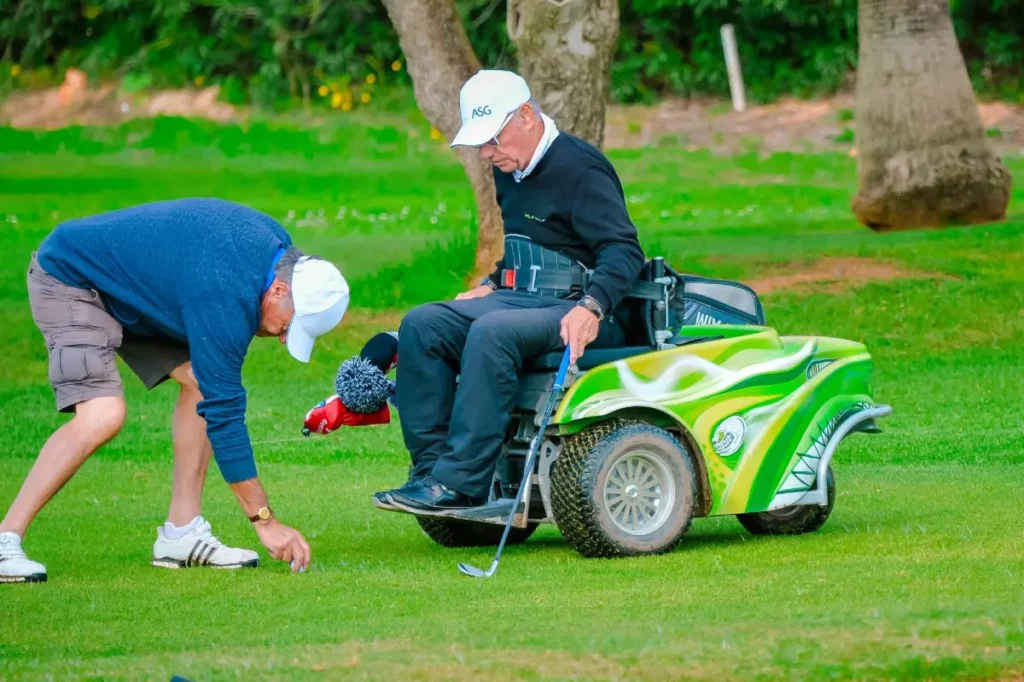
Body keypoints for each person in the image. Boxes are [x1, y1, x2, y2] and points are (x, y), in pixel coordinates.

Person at [0, 198, 349, 583]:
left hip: (134, 291)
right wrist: (264, 521)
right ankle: (4, 540)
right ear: (279, 289)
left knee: (201, 383)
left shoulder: (276, 257)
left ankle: (181, 533)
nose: (282, 340)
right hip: (72, 277)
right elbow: (226, 414)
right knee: (103, 415)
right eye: (287, 328)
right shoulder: (226, 293)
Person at [376, 69, 645, 513]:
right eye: (480, 142)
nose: (486, 153)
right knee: (423, 324)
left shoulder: (581, 166)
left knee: (492, 331)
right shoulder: (510, 167)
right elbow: (530, 248)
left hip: (577, 308)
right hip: (521, 299)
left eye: (492, 140)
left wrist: (592, 307)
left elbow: (623, 251)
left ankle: (462, 483)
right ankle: (430, 474)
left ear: (525, 115)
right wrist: (493, 282)